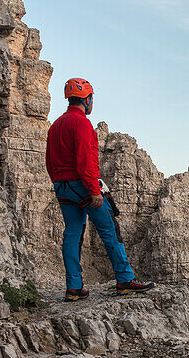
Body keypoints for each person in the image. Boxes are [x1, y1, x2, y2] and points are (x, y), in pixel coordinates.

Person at [45, 77, 154, 301]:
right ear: (87, 99)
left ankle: (73, 288)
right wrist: (94, 189)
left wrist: (59, 183)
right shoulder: (82, 124)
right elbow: (86, 161)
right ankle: (124, 280)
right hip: (82, 185)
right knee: (110, 229)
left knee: (73, 233)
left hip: (61, 186)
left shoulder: (55, 126)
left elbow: (49, 161)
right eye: (91, 98)